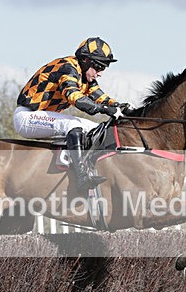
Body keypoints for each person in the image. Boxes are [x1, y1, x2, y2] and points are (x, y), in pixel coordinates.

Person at [14, 36, 130, 190]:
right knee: (72, 124)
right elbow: (75, 97)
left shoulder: (84, 75)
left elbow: (98, 95)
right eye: (99, 67)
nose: (100, 73)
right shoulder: (67, 68)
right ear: (86, 60)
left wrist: (119, 106)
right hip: (28, 116)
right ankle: (81, 175)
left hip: (45, 117)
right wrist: (104, 109)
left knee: (97, 129)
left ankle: (89, 165)